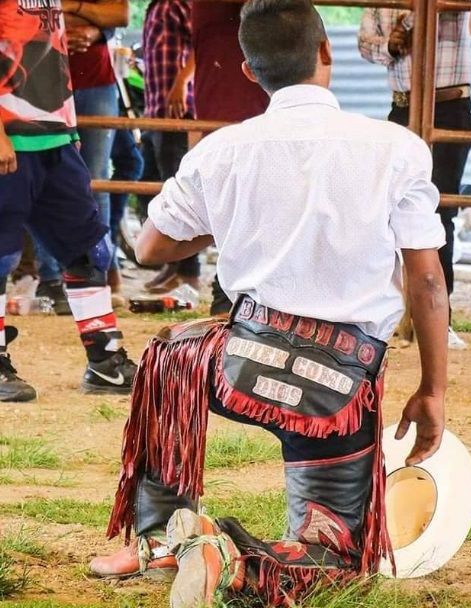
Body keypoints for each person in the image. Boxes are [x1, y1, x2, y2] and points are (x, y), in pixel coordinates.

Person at [89, 1, 448, 606]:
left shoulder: (221, 150)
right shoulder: (395, 147)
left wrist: (224, 226)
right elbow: (428, 282)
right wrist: (433, 389)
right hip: (333, 388)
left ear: (250, 72)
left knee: (170, 355)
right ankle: (225, 561)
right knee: (333, 560)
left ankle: (157, 537)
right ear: (325, 52)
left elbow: (150, 248)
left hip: (240, 366)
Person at [0, 0, 137, 402]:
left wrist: (68, 123)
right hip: (10, 136)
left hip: (55, 136)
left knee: (88, 248)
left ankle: (105, 360)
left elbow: (53, 50)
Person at [359, 8, 471, 350]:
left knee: (440, 211)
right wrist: (392, 46)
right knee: (391, 212)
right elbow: (365, 45)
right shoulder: (378, 4)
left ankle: (440, 318)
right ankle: (396, 316)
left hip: (448, 103)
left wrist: (409, 23)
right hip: (402, 106)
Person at [33, 1, 129, 306]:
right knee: (42, 175)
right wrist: (83, 17)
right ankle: (50, 279)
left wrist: (80, 17)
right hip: (38, 81)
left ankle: (102, 272)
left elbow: (121, 14)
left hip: (94, 82)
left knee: (96, 180)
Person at [190, 0, 269, 315]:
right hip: (232, 98)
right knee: (238, 198)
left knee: (257, 199)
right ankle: (229, 296)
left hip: (254, 96)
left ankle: (235, 296)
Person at [141, 0, 200, 294]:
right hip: (156, 106)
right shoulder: (157, 6)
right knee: (151, 184)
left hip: (177, 106)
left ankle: (188, 271)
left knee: (177, 188)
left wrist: (182, 80)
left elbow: (202, 43)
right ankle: (173, 263)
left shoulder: (179, 3)